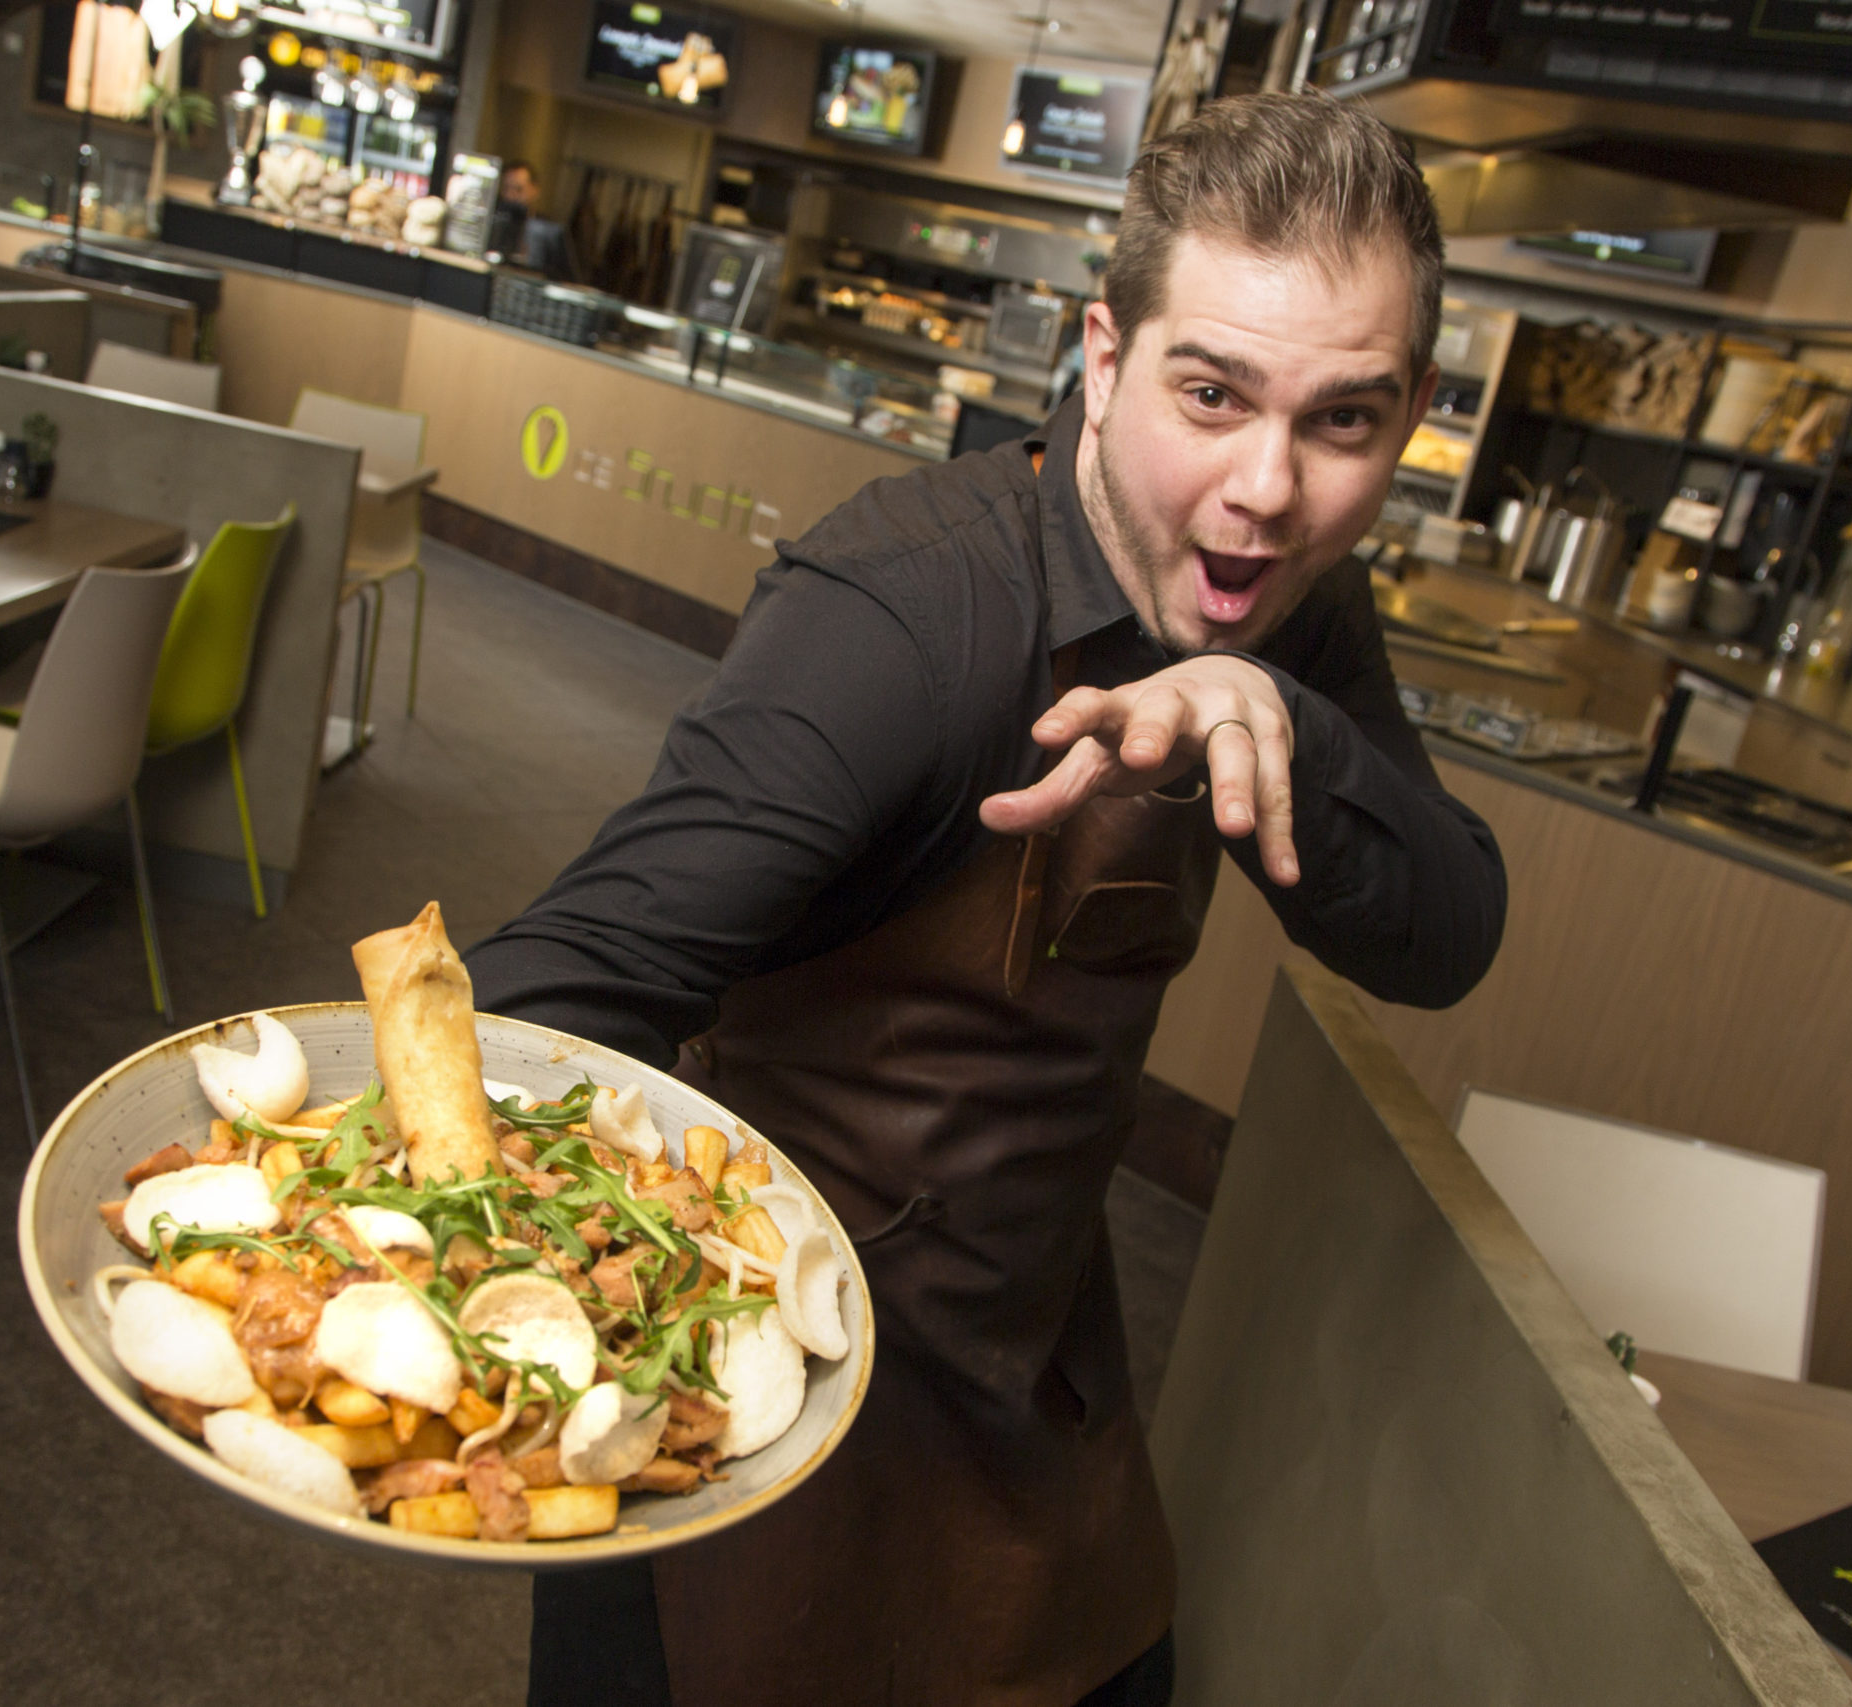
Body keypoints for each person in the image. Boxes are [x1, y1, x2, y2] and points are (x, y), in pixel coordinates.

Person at [467, 91, 1506, 1707]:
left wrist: (1282, 715)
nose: (1268, 490)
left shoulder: (1296, 601)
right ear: (1104, 352)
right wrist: (505, 1315)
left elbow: (1446, 934)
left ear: (1413, 413)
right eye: (1211, 395)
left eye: (1345, 424)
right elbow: (562, 981)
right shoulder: (908, 609)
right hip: (758, 1393)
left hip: (1033, 1375)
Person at [490, 160, 575, 281]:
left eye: (518, 189)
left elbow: (566, 277)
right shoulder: (492, 223)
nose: (510, 195)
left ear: (534, 190)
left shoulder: (548, 231)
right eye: (506, 189)